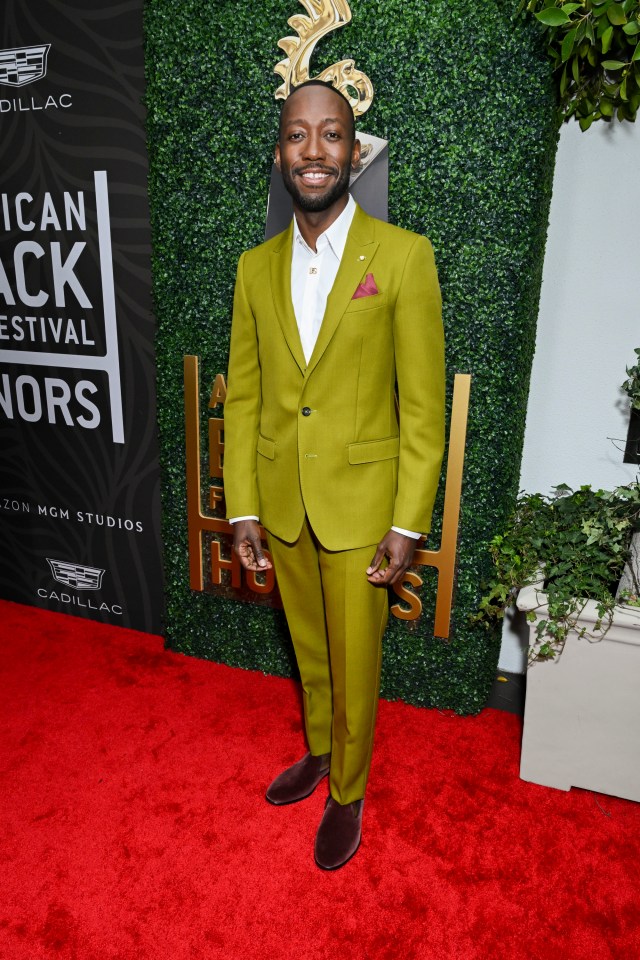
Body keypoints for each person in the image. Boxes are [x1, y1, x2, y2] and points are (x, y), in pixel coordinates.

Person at [223, 79, 445, 870]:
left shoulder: (404, 256)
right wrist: (242, 505)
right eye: (296, 135)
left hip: (362, 508)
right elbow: (244, 398)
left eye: (330, 135)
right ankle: (318, 752)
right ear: (280, 151)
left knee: (356, 660)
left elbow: (422, 410)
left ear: (355, 150)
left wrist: (407, 522)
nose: (313, 151)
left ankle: (348, 790)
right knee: (309, 648)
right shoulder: (254, 268)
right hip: (282, 499)